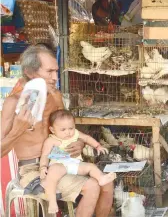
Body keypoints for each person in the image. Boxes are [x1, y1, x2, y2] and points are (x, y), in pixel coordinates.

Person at [1, 45, 113, 216]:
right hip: (33, 169)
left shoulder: (55, 95)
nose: (55, 77)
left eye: (56, 71)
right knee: (92, 186)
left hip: (62, 161)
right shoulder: (14, 103)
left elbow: (68, 129)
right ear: (30, 72)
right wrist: (18, 129)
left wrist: (79, 142)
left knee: (107, 184)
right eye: (49, 72)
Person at [41, 109, 116, 214]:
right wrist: (43, 167)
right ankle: (52, 201)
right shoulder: (51, 140)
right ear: (52, 130)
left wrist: (97, 146)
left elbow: (86, 138)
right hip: (60, 165)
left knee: (90, 166)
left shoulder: (75, 134)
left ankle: (101, 178)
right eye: (63, 130)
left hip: (75, 164)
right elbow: (44, 155)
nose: (68, 132)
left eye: (71, 128)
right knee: (52, 173)